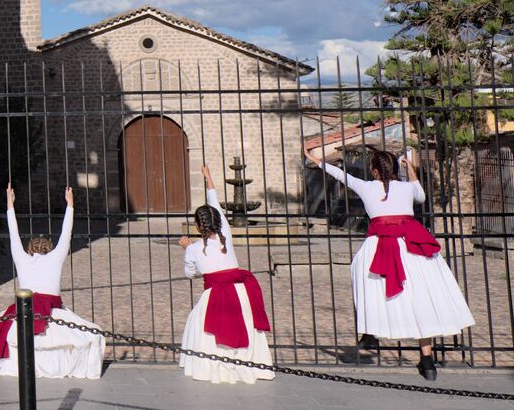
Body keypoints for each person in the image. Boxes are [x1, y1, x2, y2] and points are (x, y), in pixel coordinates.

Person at [307, 145, 474, 380]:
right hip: (410, 244)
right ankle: (427, 359)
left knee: (365, 280)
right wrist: (411, 170)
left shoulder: (366, 186)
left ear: (374, 171)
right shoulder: (406, 187)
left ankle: (370, 332)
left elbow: (341, 175)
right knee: (421, 298)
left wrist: (316, 160)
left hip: (380, 244)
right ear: (395, 168)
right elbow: (421, 196)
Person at [0, 184, 103, 379]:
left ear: (29, 250)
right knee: (90, 333)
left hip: (25, 309)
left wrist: (10, 204)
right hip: (51, 310)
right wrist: (70, 205)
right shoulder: (55, 258)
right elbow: (66, 234)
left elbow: (13, 235)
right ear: (50, 248)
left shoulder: (22, 259)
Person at [178, 164, 274, 384]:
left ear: (198, 226)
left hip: (215, 293)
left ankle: (213, 365)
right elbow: (215, 204)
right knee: (246, 324)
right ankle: (251, 364)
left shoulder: (194, 248)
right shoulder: (225, 235)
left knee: (199, 323)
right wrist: (209, 178)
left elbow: (190, 274)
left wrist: (186, 248)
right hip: (240, 291)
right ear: (217, 222)